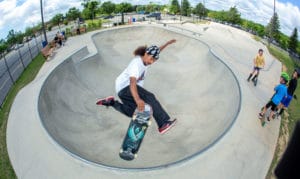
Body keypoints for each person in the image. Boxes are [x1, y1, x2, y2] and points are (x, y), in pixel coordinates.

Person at [97, 39, 177, 134]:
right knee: (149, 97)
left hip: (121, 91)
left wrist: (167, 43)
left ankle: (112, 103)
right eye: (151, 59)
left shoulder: (147, 59)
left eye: (154, 61)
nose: (151, 62)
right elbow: (132, 83)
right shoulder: (137, 64)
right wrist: (138, 99)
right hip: (126, 87)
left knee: (134, 112)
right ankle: (163, 124)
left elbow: (157, 50)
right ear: (146, 54)